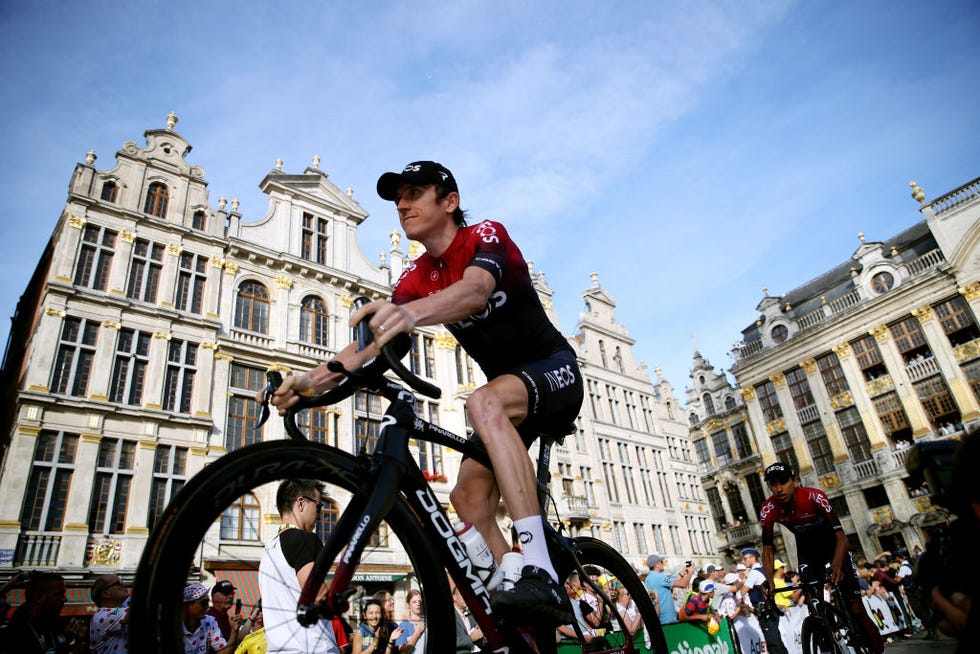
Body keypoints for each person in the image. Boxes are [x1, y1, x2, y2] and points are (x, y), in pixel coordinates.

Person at [266, 160, 584, 625]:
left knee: (482, 401)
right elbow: (370, 343)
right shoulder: (417, 276)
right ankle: (520, 599)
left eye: (414, 193)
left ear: (449, 201)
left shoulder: (485, 236)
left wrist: (411, 315)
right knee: (467, 497)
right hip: (506, 398)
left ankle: (540, 569)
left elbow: (475, 291)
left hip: (553, 373)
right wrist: (309, 382)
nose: (402, 204)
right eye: (398, 198)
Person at [759, 462, 884, 654]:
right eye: (772, 484)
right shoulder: (768, 509)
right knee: (813, 604)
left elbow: (841, 537)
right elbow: (767, 549)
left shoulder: (813, 496)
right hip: (807, 551)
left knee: (857, 609)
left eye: (783, 482)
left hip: (834, 547)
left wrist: (836, 565)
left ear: (795, 481)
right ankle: (828, 635)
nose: (778, 488)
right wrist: (770, 580)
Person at [258, 479, 340, 653]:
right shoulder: (305, 539)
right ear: (301, 503)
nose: (320, 515)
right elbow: (317, 594)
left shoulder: (268, 552)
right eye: (319, 506)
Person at [0, 571, 86, 654]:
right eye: (59, 594)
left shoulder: (54, 625)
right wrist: (8, 586)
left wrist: (75, 642)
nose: (64, 599)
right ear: (38, 597)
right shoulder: (17, 631)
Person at [740, 547, 789, 654]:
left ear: (752, 558)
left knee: (772, 641)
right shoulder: (764, 570)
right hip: (771, 608)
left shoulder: (753, 573)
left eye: (745, 559)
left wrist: (743, 581)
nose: (743, 562)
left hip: (765, 610)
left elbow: (742, 592)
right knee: (776, 639)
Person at [183, 583, 241, 654]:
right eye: (203, 603)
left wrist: (234, 631)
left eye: (207, 602)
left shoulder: (209, 622)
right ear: (187, 605)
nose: (207, 606)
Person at [644, 554, 694, 625]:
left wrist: (681, 574)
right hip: (667, 619)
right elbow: (683, 584)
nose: (663, 563)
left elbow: (671, 583)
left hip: (660, 617)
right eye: (661, 562)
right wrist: (691, 572)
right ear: (657, 564)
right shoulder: (659, 577)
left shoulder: (649, 578)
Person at [89, 573, 130, 653]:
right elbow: (137, 611)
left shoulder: (114, 611)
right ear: (106, 594)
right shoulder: (101, 615)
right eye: (118, 583)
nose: (124, 584)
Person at [448, 575, 483, 652]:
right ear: (454, 597)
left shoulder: (470, 613)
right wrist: (471, 638)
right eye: (462, 595)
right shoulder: (450, 615)